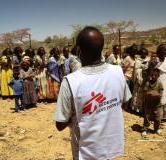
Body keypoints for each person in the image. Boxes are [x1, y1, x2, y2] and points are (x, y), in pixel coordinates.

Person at [54, 26, 132, 160]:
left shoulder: (70, 82)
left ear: (78, 51)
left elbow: (60, 124)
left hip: (85, 152)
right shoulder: (118, 72)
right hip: (109, 147)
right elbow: (125, 103)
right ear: (101, 49)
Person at [142, 68, 163, 136]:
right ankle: (145, 129)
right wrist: (150, 93)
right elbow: (145, 93)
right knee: (147, 117)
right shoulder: (147, 83)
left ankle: (157, 128)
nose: (153, 76)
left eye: (155, 75)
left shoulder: (159, 84)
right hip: (148, 103)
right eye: (152, 75)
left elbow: (160, 94)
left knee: (157, 118)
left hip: (157, 104)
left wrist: (155, 94)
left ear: (158, 76)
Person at [155, 44, 166, 119]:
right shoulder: (155, 60)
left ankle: (163, 116)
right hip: (157, 80)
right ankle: (154, 115)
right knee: (156, 95)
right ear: (159, 51)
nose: (165, 51)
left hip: (164, 80)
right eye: (164, 49)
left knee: (163, 96)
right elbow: (151, 69)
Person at [132, 47, 150, 113]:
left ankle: (141, 109)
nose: (144, 55)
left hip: (145, 80)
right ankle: (135, 108)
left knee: (142, 95)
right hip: (138, 80)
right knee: (137, 94)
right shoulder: (137, 61)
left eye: (145, 54)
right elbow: (136, 70)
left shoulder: (148, 60)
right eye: (142, 54)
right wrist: (142, 69)